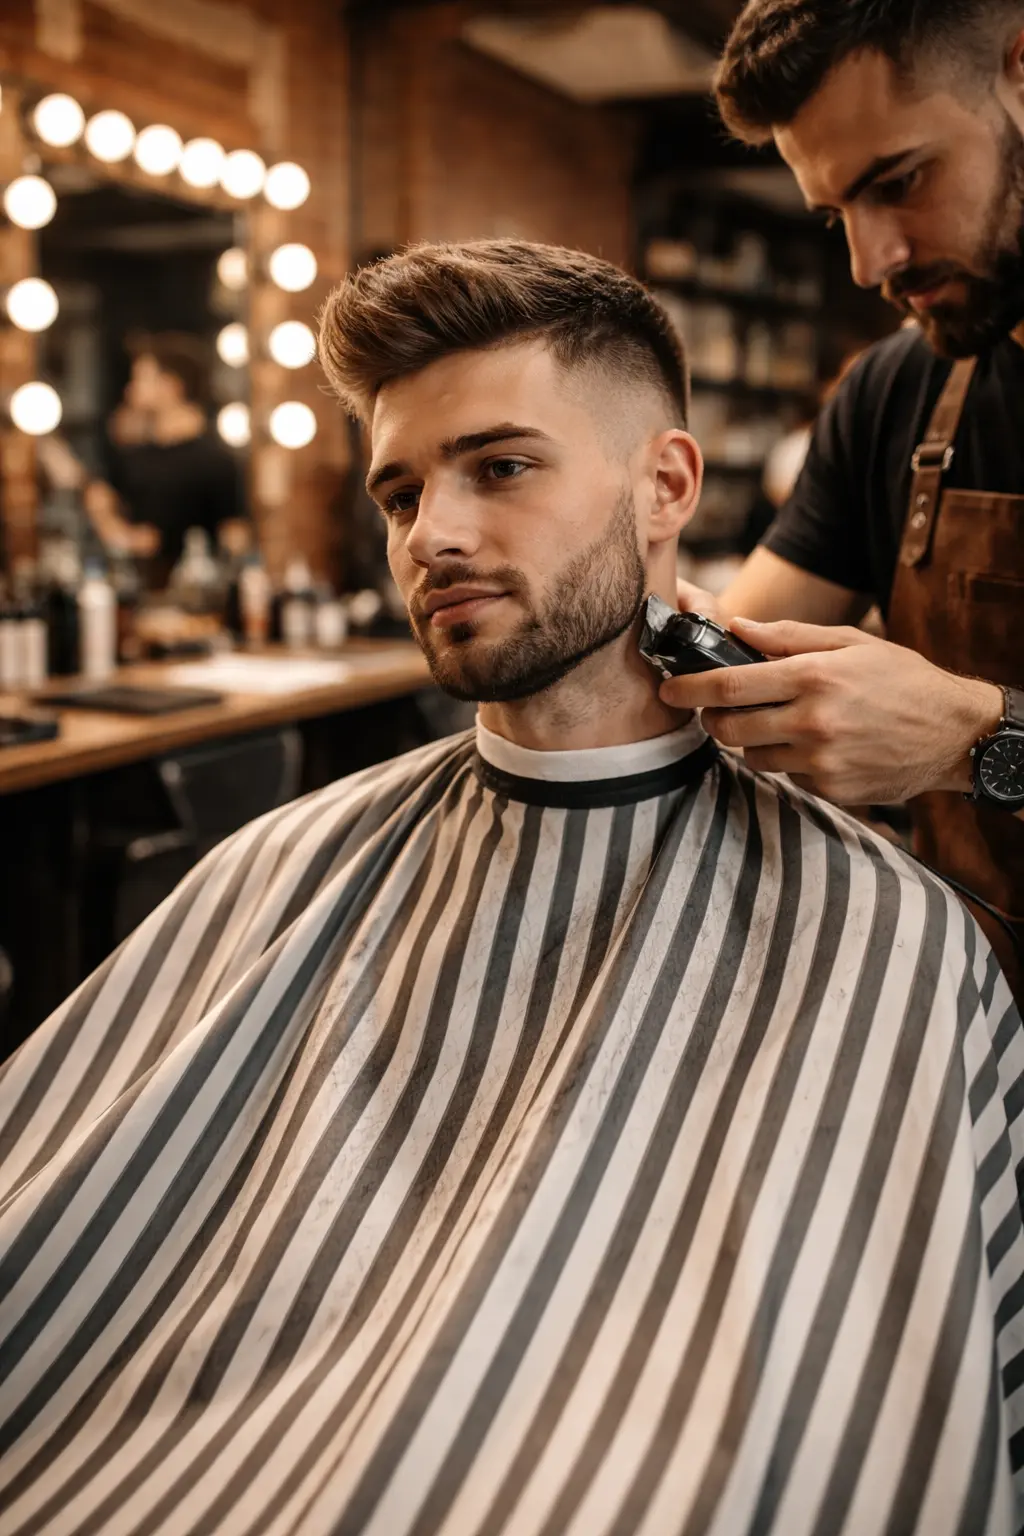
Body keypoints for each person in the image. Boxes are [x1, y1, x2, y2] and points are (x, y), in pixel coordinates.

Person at [0, 242, 1021, 1536]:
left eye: (503, 467)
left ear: (667, 485)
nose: (435, 533)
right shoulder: (287, 863)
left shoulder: (879, 929)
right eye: (399, 492)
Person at [663, 0, 1024, 1002]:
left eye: (900, 182)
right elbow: (737, 648)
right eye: (836, 217)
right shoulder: (895, 397)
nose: (871, 264)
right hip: (971, 1019)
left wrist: (976, 737)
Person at [85, 333, 248, 583]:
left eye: (140, 379)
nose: (130, 390)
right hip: (140, 594)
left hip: (199, 601)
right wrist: (125, 538)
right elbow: (97, 497)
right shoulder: (134, 456)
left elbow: (235, 538)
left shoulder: (216, 461)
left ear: (170, 385)